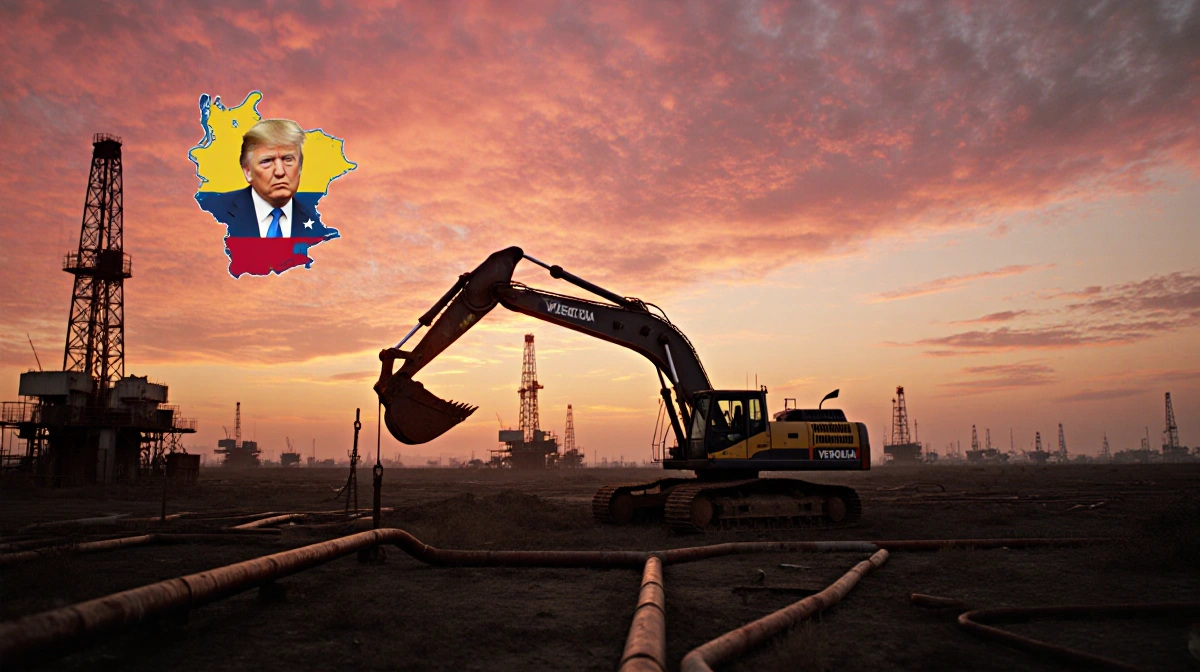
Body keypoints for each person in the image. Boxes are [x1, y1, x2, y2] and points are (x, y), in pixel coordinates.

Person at [204, 119, 331, 238]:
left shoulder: (325, 217)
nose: (280, 172)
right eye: (267, 161)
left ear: (300, 167)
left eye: (288, 159)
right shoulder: (211, 212)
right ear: (248, 172)